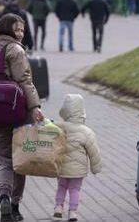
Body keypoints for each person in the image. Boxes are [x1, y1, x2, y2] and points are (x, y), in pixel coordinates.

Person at [0, 14, 44, 222]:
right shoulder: (16, 50)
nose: (21, 34)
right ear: (7, 29)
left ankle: (4, 196)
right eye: (18, 30)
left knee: (4, 161)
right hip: (16, 113)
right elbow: (25, 80)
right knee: (20, 160)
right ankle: (14, 205)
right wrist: (34, 107)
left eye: (23, 30)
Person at [53, 94, 102, 222]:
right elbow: (94, 151)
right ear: (82, 111)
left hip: (61, 167)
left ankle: (58, 208)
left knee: (61, 187)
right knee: (74, 189)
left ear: (64, 111)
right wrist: (96, 168)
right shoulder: (86, 132)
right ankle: (73, 212)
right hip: (77, 170)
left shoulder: (58, 127)